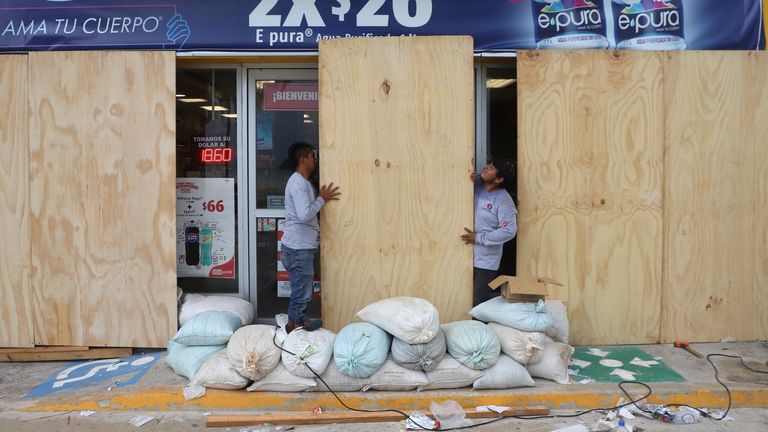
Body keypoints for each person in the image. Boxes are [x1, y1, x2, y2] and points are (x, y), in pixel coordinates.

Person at [281, 142, 340, 331]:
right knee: (302, 292)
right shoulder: (298, 183)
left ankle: (295, 322)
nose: (315, 159)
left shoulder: (302, 182)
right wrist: (322, 198)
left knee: (301, 290)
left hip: (300, 247)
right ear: (303, 159)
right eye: (312, 156)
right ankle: (297, 324)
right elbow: (304, 214)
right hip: (297, 249)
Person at [461, 159, 518, 306]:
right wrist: (474, 178)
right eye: (489, 164)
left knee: (477, 301)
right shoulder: (476, 185)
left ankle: (479, 328)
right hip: (462, 253)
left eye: (492, 168)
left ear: (498, 179)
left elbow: (508, 231)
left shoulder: (504, 200)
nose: (486, 167)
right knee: (459, 295)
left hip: (485, 262)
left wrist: (479, 238)